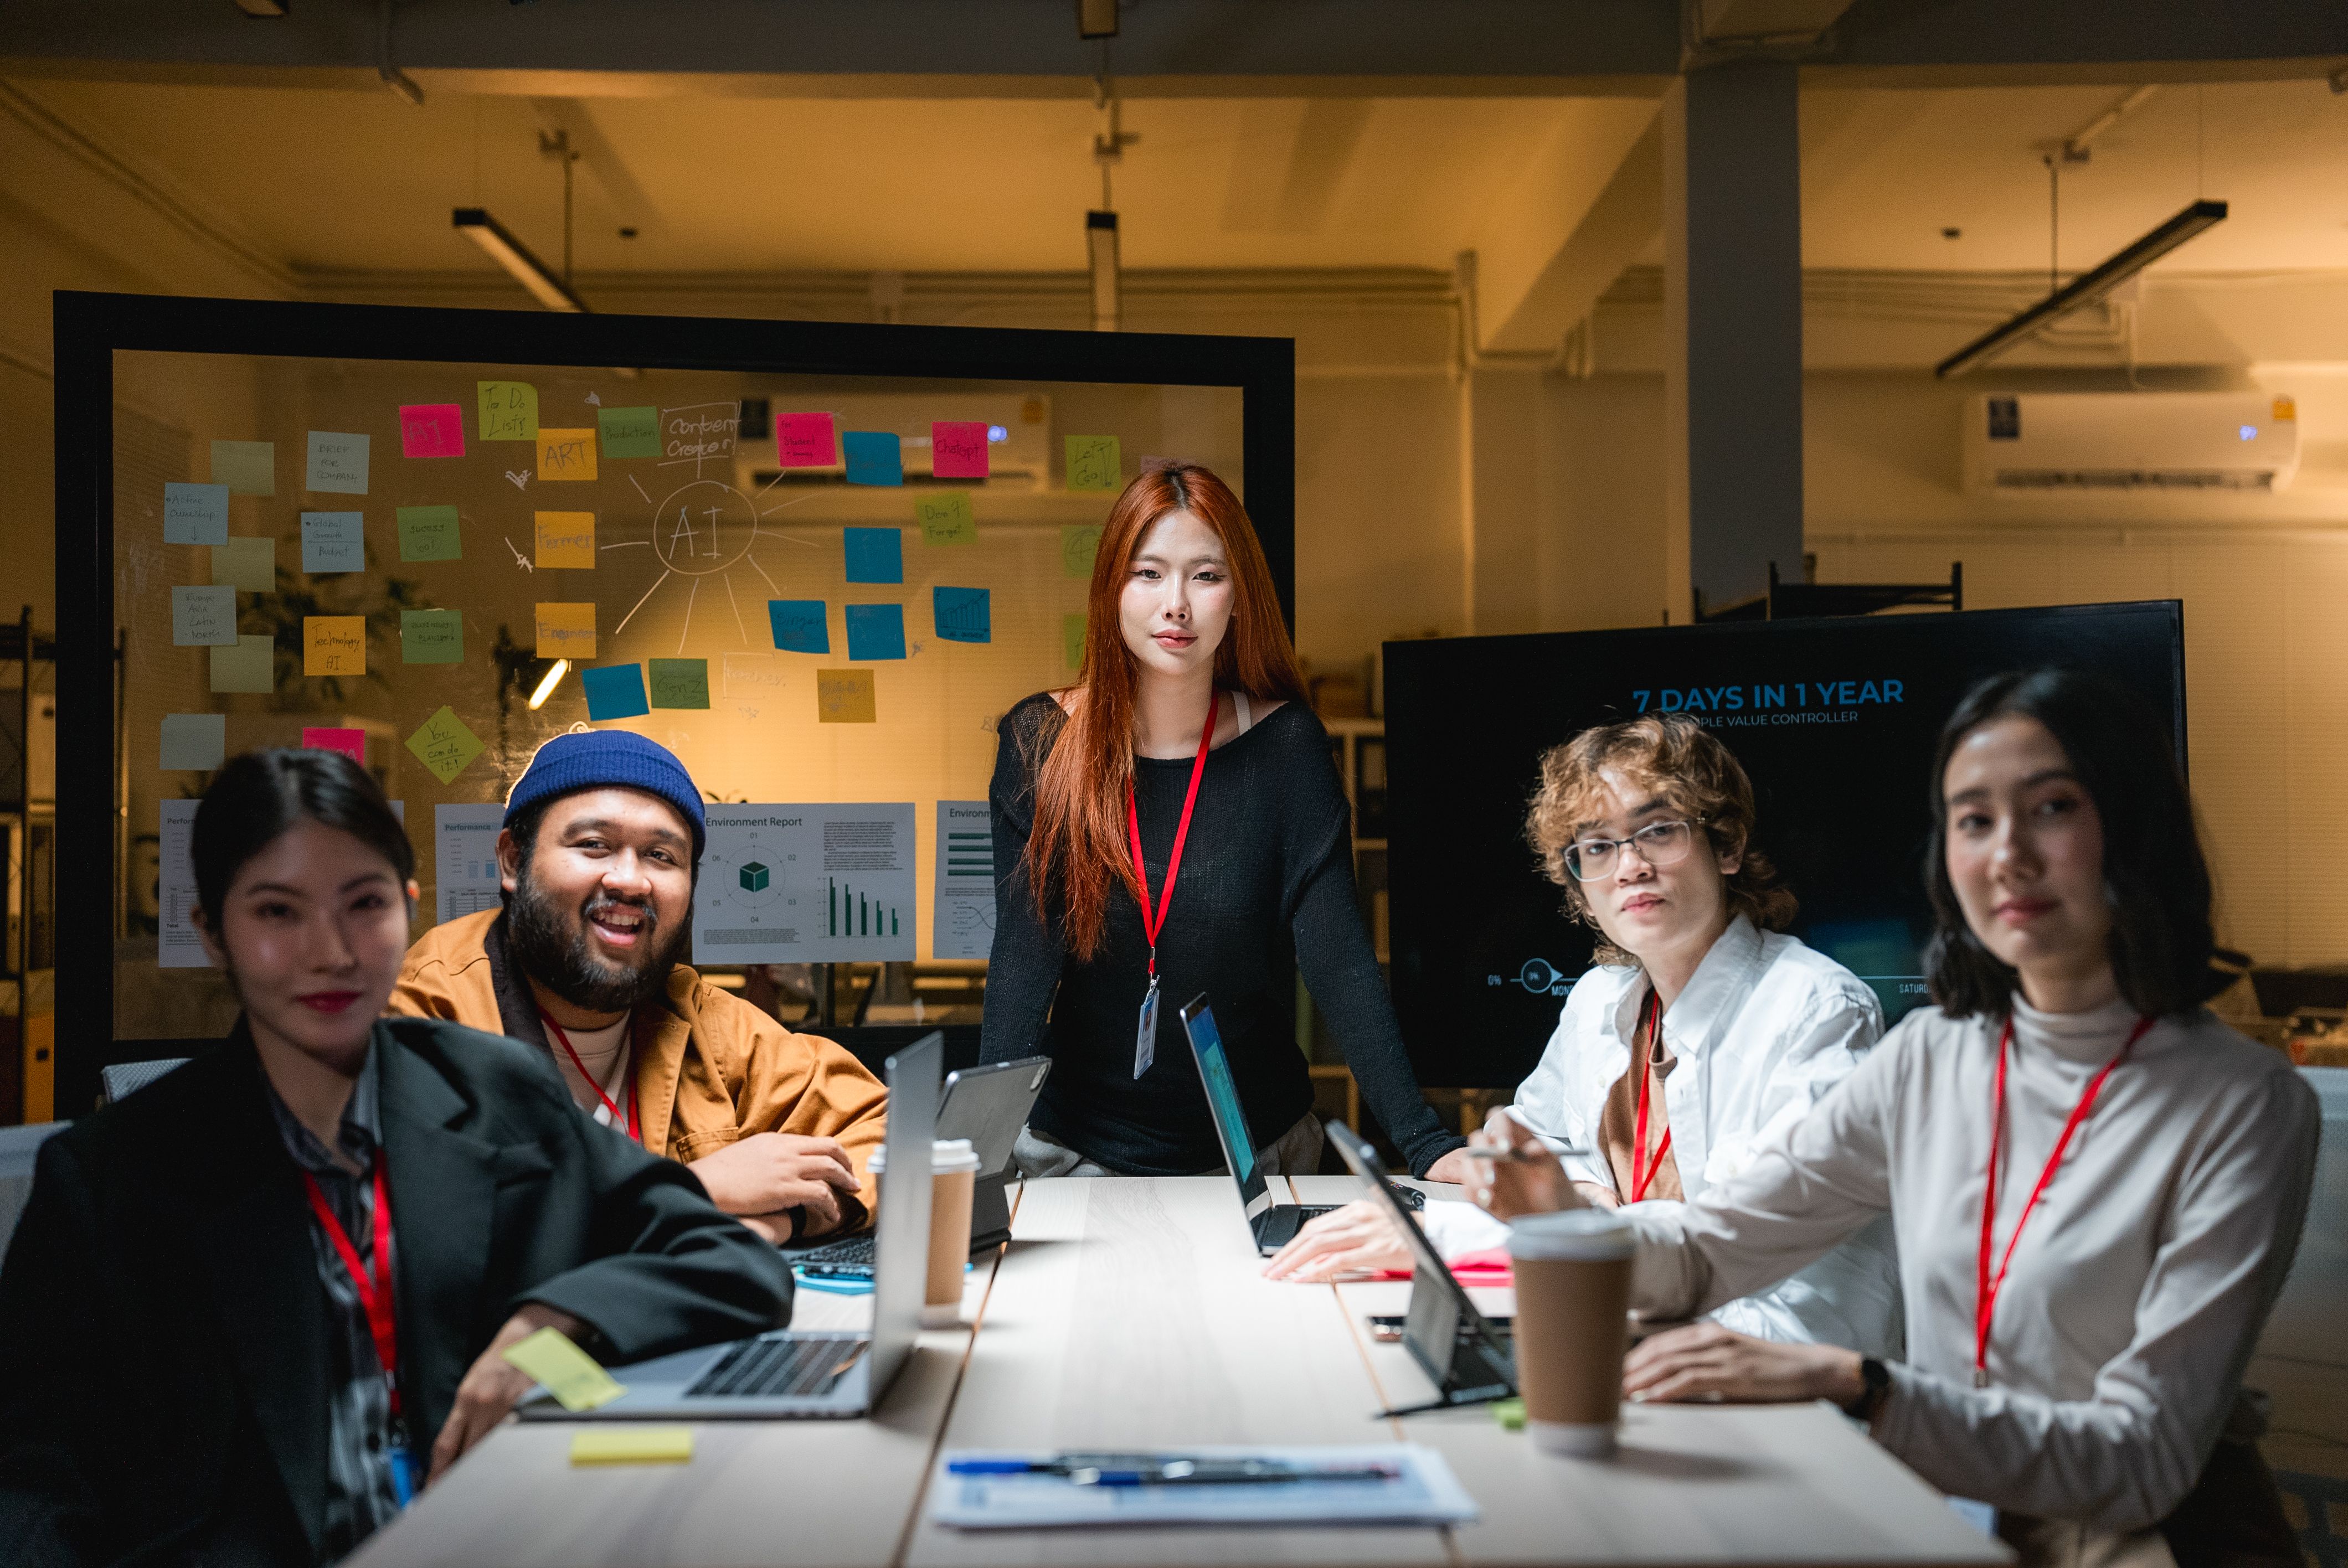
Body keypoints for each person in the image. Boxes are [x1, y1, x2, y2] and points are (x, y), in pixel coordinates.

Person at [1473, 670, 2315, 1565]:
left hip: (2155, 1543)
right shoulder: (1932, 1058)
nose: (2008, 855)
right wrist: (1555, 1220)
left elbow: (2142, 1461)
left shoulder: (2246, 1103)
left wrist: (1860, 1384)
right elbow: (1713, 1249)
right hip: (1951, 1511)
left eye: (2054, 807)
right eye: (1974, 818)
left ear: (2134, 828)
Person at [0, 750, 793, 1567]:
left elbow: (729, 1260)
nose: (332, 953)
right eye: (278, 912)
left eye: (364, 905)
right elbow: (37, 1485)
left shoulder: (494, 1095)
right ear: (211, 933)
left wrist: (552, 1324)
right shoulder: (110, 1179)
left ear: (407, 910)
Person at [1265, 714, 1901, 1358]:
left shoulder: (1815, 1009)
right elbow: (1520, 1151)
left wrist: (1505, 1222)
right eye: (1596, 847)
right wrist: (1551, 1190)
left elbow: (1734, 1247)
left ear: (1728, 845)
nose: (1628, 866)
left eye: (1657, 832)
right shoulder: (1602, 998)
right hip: (1619, 1321)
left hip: (1767, 1365)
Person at [983, 461, 1469, 1180]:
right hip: (1079, 1152)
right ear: (1111, 592)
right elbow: (1026, 959)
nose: (1174, 604)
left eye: (1204, 576)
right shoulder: (1042, 742)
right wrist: (978, 1156)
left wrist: (1428, 1145)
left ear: (1239, 597)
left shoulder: (1287, 748)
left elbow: (1337, 960)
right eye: (1148, 574)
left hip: (1263, 1153)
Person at [392, 731, 888, 1245]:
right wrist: (692, 1191)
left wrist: (784, 1221)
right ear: (514, 861)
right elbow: (425, 1220)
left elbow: (889, 1132)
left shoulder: (696, 1016)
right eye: (593, 846)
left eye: (661, 856)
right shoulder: (429, 1008)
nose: (630, 881)